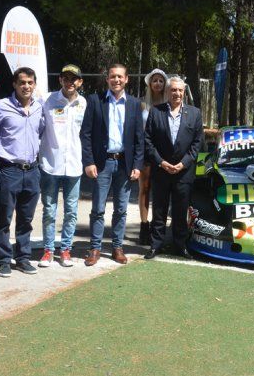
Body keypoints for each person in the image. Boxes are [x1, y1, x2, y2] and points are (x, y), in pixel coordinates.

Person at [80, 63, 145, 266]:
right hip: (102, 164)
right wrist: (89, 161)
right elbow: (86, 134)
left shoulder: (134, 104)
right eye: (112, 77)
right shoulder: (95, 101)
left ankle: (117, 247)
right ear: (107, 79)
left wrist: (137, 165)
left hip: (124, 165)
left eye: (120, 77)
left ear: (126, 79)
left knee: (121, 209)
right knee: (98, 209)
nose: (116, 80)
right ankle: (95, 248)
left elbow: (139, 139)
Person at [143, 76, 204, 259]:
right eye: (173, 90)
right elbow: (148, 141)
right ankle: (156, 245)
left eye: (180, 90)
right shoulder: (155, 111)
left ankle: (180, 246)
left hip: (183, 172)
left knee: (180, 211)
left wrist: (183, 163)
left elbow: (197, 143)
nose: (177, 93)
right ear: (167, 92)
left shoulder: (195, 113)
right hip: (161, 170)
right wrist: (161, 162)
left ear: (184, 92)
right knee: (159, 211)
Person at [0, 67, 45, 277]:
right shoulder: (0, 107)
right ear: (14, 84)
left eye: (30, 83)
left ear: (34, 85)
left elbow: (41, 132)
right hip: (8, 170)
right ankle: (3, 260)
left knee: (26, 219)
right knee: (4, 218)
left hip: (32, 170)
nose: (26, 86)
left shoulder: (39, 108)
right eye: (22, 82)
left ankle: (23, 258)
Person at [37, 64, 87, 268]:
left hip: (74, 165)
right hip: (50, 164)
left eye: (74, 79)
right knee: (49, 210)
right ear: (60, 80)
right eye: (66, 78)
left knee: (71, 211)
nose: (70, 82)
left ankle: (65, 249)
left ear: (80, 82)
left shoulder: (83, 103)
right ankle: (48, 250)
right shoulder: (47, 100)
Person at [137, 68, 168, 246]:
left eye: (161, 81)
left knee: (161, 191)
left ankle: (159, 228)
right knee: (144, 189)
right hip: (145, 152)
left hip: (164, 152)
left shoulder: (169, 104)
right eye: (154, 80)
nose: (157, 83)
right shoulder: (142, 104)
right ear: (150, 83)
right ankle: (144, 226)